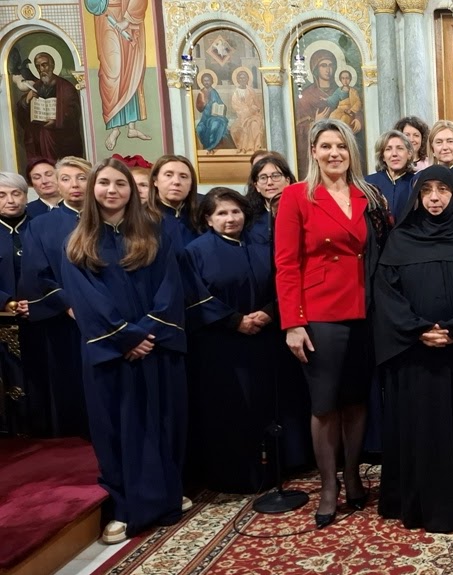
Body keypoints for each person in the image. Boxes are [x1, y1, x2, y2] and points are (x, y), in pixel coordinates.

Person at [61, 158, 188, 544]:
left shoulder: (154, 232)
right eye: (104, 183)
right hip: (110, 353)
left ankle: (166, 495)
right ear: (92, 190)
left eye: (120, 184)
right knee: (114, 427)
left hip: (155, 346)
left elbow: (170, 287)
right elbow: (86, 299)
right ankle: (123, 507)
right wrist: (125, 336)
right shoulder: (78, 241)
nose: (112, 190)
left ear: (133, 191)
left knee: (161, 420)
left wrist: (147, 333)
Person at [374, 165, 453, 532]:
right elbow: (386, 294)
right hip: (415, 358)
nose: (434, 198)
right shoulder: (401, 239)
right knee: (421, 429)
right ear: (416, 196)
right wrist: (417, 330)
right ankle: (418, 503)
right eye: (426, 190)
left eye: (442, 190)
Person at [275, 119, 390, 528]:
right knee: (324, 405)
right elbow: (286, 263)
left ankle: (354, 476)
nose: (334, 153)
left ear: (351, 152)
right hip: (320, 313)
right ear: (313, 151)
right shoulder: (296, 196)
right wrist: (293, 323)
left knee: (356, 401)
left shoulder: (368, 195)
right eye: (326, 146)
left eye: (341, 146)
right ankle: (328, 486)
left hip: (365, 310)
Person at [185, 188, 289, 493]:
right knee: (230, 410)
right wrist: (234, 321)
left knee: (264, 405)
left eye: (235, 212)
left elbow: (282, 284)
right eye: (221, 213)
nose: (230, 218)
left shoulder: (261, 246)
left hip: (264, 339)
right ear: (208, 219)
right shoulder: (194, 251)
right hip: (220, 345)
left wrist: (269, 313)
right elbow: (194, 296)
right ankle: (235, 476)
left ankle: (270, 471)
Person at [19, 156, 91, 438]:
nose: (75, 185)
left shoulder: (108, 219)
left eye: (82, 178)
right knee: (70, 376)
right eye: (66, 179)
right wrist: (68, 304)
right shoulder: (40, 225)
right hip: (64, 317)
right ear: (57, 184)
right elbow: (36, 272)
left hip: (108, 315)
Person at [86, 0, 152, 151]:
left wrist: (127, 20)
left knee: (130, 72)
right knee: (111, 73)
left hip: (126, 20)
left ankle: (132, 127)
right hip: (105, 20)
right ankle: (115, 128)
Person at [0, 173, 30, 434]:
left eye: (16, 193)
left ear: (25, 196)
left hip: (40, 314)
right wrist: (6, 302)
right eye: (2, 195)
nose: (10, 200)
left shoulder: (39, 226)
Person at [14, 51, 85, 161]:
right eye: (38, 66)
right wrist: (27, 100)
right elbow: (21, 113)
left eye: (44, 65)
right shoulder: (36, 86)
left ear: (52, 65)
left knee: (47, 133)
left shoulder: (66, 87)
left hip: (61, 138)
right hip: (40, 141)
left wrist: (56, 121)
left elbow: (74, 112)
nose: (41, 69)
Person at [149, 155, 202, 246]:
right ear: (155, 180)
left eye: (183, 176)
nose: (176, 182)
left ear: (191, 185)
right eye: (168, 175)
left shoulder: (202, 217)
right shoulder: (140, 219)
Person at [245, 155, 296, 245]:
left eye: (275, 176)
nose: (270, 183)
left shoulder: (300, 211)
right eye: (263, 178)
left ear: (287, 181)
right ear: (256, 186)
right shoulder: (249, 218)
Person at [366, 131, 416, 220]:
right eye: (388, 149)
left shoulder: (416, 182)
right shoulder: (368, 184)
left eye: (400, 148)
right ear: (382, 156)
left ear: (409, 154)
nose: (394, 154)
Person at [229, 68, 265, 154]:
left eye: (244, 78)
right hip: (241, 116)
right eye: (240, 78)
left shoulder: (251, 91)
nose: (242, 80)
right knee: (235, 129)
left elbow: (258, 105)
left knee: (254, 125)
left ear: (247, 79)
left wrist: (253, 108)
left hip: (253, 116)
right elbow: (235, 106)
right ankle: (242, 147)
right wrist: (245, 110)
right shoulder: (235, 93)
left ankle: (255, 147)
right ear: (237, 80)